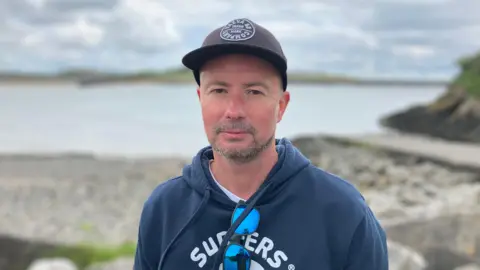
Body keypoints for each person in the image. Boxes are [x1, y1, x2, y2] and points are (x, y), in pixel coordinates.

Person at [133, 18, 389, 270]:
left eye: (253, 91)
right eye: (219, 91)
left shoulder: (342, 213)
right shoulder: (165, 209)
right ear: (201, 99)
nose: (234, 111)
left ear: (281, 105)